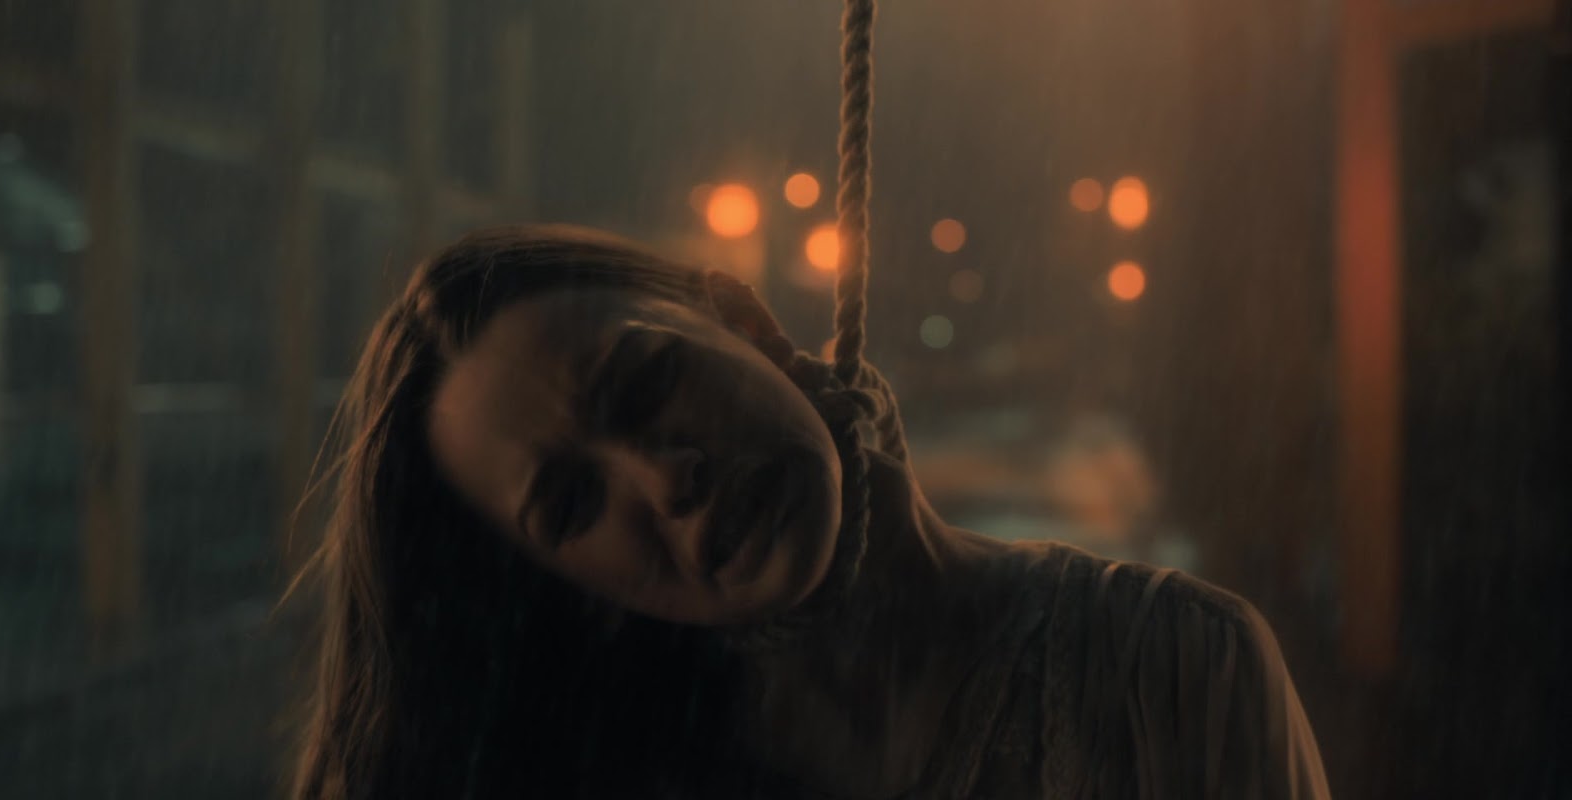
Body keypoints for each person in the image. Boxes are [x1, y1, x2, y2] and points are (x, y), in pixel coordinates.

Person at [290, 224, 1329, 799]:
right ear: (574, 588)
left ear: (742, 320)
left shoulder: (1173, 671)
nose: (663, 477)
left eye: (646, 382)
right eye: (572, 503)